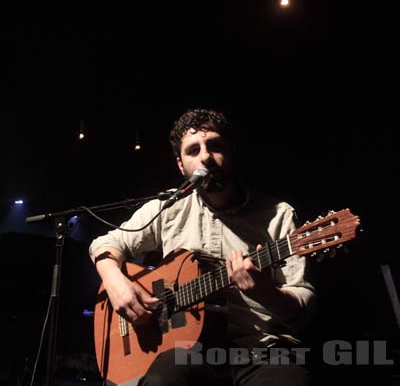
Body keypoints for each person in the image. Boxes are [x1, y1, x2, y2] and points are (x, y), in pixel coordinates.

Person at [89, 108, 316, 385]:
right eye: (193, 150)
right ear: (181, 166)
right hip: (188, 350)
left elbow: (302, 312)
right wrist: (116, 282)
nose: (206, 157)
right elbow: (107, 243)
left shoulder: (279, 215)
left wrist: (264, 291)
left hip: (262, 349)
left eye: (215, 146)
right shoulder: (167, 208)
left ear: (231, 153)